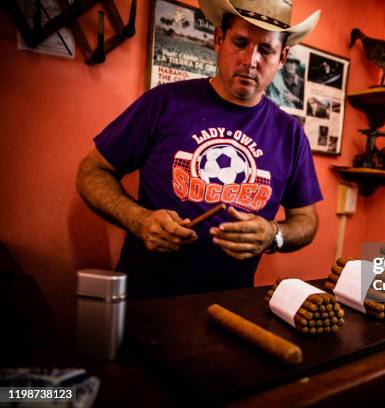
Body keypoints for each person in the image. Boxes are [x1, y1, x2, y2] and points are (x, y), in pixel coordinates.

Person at [76, 0, 322, 299]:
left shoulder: (290, 133)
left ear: (282, 57)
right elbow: (92, 171)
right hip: (144, 301)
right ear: (219, 39)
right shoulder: (163, 103)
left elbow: (306, 220)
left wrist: (275, 235)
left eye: (266, 50)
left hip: (231, 306)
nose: (251, 59)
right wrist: (139, 220)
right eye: (241, 42)